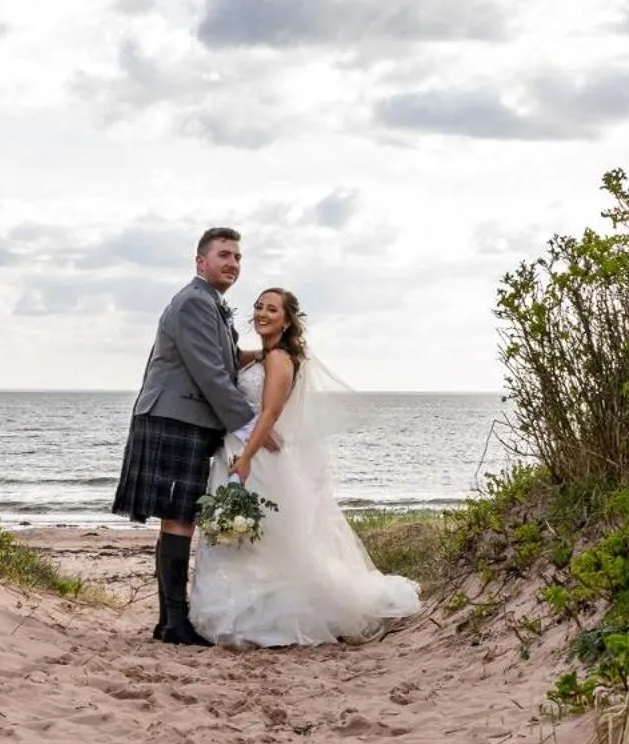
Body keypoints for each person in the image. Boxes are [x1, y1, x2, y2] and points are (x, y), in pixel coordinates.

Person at [189, 288, 420, 647]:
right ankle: (228, 605)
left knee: (264, 536)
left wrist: (247, 458)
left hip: (257, 458)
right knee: (239, 535)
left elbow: (270, 414)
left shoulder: (280, 360)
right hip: (236, 451)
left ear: (287, 319)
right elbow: (231, 358)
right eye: (259, 307)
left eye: (272, 309)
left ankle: (267, 613)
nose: (263, 313)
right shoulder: (264, 356)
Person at [112, 227, 277, 645]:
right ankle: (174, 623)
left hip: (182, 417)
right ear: (200, 261)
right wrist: (252, 428)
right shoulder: (193, 303)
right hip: (174, 416)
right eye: (224, 255)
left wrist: (270, 352)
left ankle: (171, 621)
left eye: (238, 257)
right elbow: (211, 374)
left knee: (179, 517)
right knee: (179, 517)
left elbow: (223, 359)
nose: (232, 264)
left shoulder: (211, 304)